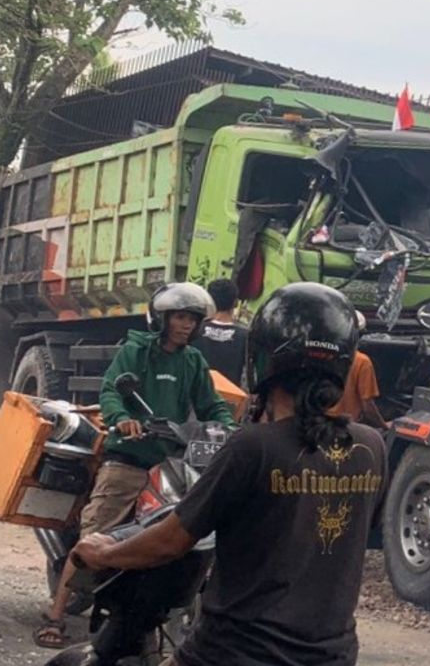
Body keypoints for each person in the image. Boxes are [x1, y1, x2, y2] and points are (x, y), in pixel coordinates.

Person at [72, 282, 387, 666]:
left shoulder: (254, 446)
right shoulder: (371, 447)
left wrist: (107, 552)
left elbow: (171, 542)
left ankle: (56, 614)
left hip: (233, 653)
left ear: (262, 358)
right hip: (332, 656)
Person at [35, 282, 236, 649]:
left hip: (168, 462)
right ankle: (56, 615)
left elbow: (210, 403)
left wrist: (225, 426)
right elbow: (112, 389)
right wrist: (122, 418)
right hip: (128, 457)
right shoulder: (137, 351)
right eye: (178, 317)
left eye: (192, 319)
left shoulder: (192, 360)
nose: (185, 325)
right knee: (95, 535)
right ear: (161, 318)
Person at [327, 311, 386, 429]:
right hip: (348, 427)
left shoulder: (323, 356)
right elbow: (367, 407)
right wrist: (384, 426)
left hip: (321, 424)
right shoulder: (362, 361)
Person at [192, 277, 249, 386]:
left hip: (193, 396)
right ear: (235, 303)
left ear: (209, 300)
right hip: (228, 400)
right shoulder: (246, 337)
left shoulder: (192, 330)